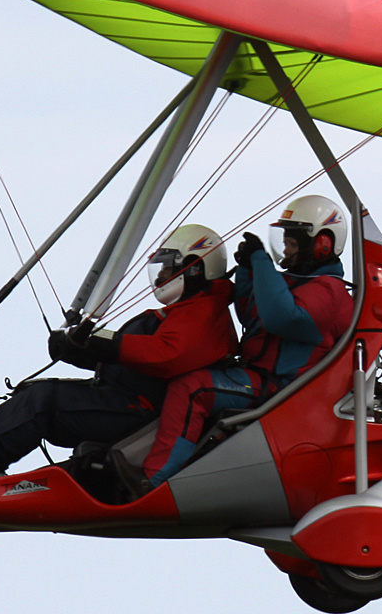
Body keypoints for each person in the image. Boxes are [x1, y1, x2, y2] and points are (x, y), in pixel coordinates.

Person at [0, 225, 236, 481]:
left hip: (139, 411)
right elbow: (132, 357)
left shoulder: (207, 313)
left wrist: (106, 345)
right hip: (124, 398)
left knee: (42, 401)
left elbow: (167, 355)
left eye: (169, 268)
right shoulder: (186, 311)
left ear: (194, 269)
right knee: (38, 393)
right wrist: (81, 349)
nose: (161, 277)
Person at [141, 195, 354, 486]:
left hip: (284, 389)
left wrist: (260, 261)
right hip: (259, 377)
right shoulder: (295, 283)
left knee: (192, 389)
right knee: (181, 375)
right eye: (285, 243)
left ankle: (155, 481)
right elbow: (253, 316)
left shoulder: (330, 291)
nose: (286, 251)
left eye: (293, 244)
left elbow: (282, 317)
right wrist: (246, 271)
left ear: (322, 245)